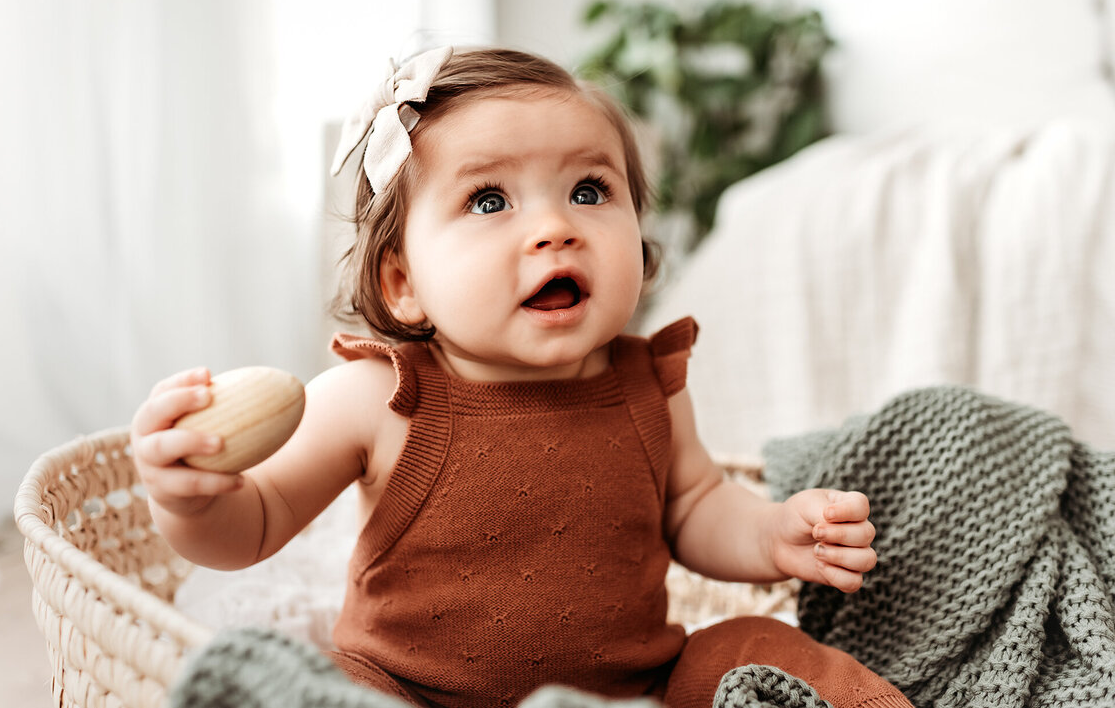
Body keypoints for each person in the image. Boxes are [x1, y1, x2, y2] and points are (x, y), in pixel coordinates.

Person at [131, 46, 910, 708]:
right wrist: (193, 500)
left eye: (589, 190)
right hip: (409, 692)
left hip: (632, 690)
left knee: (751, 645)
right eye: (490, 199)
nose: (556, 227)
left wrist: (771, 533)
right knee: (312, 685)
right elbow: (255, 522)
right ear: (403, 281)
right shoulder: (383, 397)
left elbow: (697, 506)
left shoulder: (649, 387)